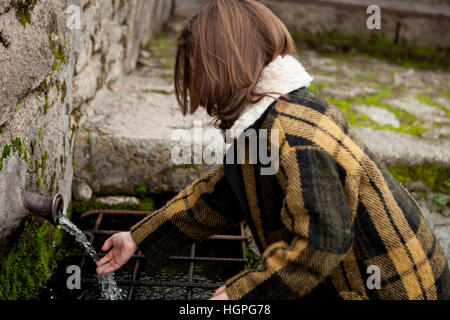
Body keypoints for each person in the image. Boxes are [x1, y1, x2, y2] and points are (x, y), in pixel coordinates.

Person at [96, 0, 449, 300]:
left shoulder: (293, 134)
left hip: (395, 286)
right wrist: (138, 238)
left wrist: (243, 294)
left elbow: (321, 243)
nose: (197, 88)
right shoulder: (266, 115)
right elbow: (220, 196)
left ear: (220, 69)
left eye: (197, 72)